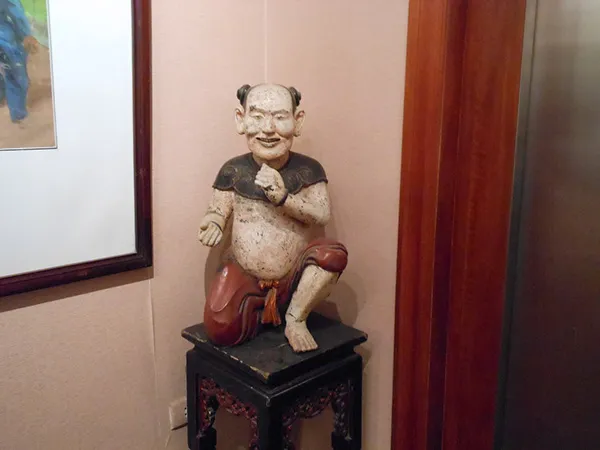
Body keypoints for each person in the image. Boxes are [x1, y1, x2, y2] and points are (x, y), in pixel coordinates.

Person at [198, 83, 348, 352]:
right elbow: (218, 209)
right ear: (240, 119)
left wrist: (284, 198)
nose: (268, 129)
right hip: (246, 271)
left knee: (332, 255)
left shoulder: (309, 170)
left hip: (295, 272)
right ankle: (262, 309)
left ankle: (295, 316)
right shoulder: (233, 170)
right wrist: (214, 222)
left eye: (280, 117)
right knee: (219, 328)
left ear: (297, 121)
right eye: (257, 117)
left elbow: (321, 214)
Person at [0, 0, 38, 123]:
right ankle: (18, 114)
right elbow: (15, 11)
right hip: (4, 39)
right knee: (15, 75)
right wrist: (26, 34)